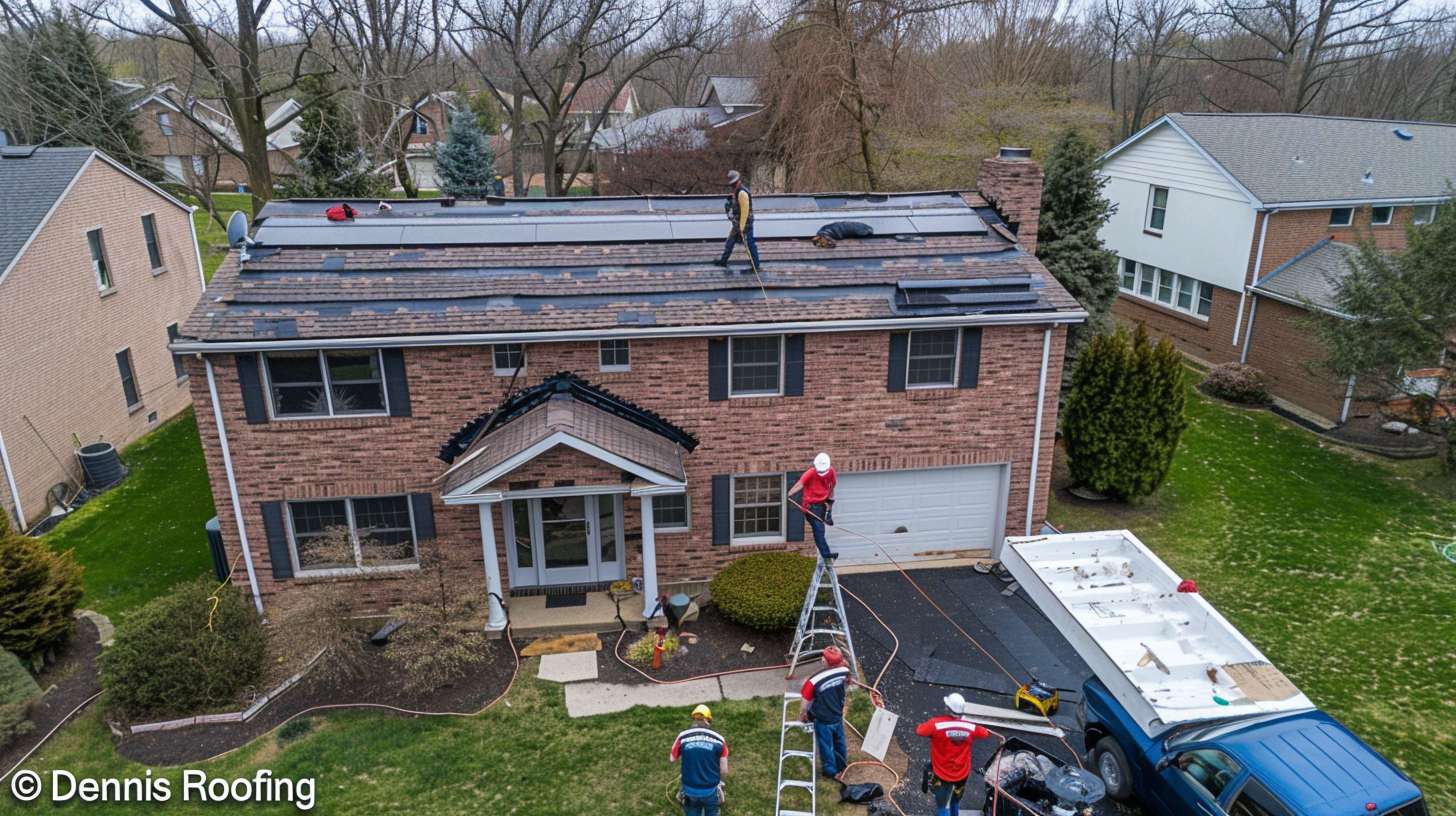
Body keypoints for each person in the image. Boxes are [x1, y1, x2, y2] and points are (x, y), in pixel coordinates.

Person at [915, 693, 1000, 816]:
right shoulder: (970, 727)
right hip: (962, 774)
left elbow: (919, 730)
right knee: (955, 801)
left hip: (941, 774)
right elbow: (985, 733)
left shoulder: (935, 724)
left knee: (942, 805)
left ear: (947, 709)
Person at [799, 645, 850, 780]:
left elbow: (804, 703)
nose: (822, 659)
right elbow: (847, 681)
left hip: (823, 719)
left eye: (824, 657)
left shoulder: (814, 681)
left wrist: (803, 715)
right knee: (840, 741)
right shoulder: (844, 670)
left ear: (826, 662)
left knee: (826, 746)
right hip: (837, 715)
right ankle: (842, 765)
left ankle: (831, 772)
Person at [670, 704, 729, 816]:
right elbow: (724, 770)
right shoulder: (720, 740)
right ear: (709, 720)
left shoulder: (683, 736)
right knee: (712, 812)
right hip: (710, 790)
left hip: (689, 789)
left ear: (694, 719)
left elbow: (672, 758)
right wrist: (719, 782)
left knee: (692, 812)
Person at [788, 452, 837, 560]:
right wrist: (789, 494)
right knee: (819, 530)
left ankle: (828, 515)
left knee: (830, 502)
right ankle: (826, 554)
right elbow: (799, 484)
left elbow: (832, 486)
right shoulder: (810, 473)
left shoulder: (831, 472)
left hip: (823, 501)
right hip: (811, 506)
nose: (822, 473)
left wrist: (830, 501)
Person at [713, 170, 762, 272]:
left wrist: (742, 226)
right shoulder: (736, 192)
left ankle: (756, 266)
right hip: (737, 223)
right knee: (730, 242)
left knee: (750, 244)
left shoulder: (742, 193)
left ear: (737, 181)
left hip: (745, 224)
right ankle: (723, 261)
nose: (732, 185)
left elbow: (745, 211)